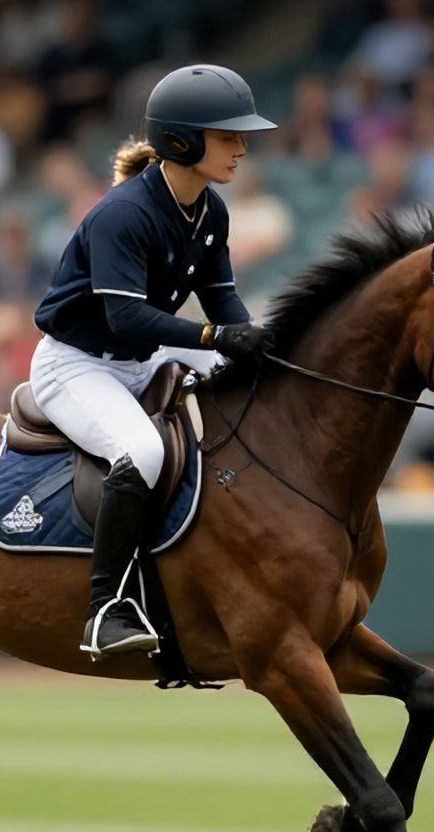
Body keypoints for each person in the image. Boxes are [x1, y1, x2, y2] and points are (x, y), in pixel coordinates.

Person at [30, 64, 276, 659]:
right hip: (78, 363)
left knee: (253, 399)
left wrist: (257, 341)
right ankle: (105, 608)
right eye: (227, 137)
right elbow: (127, 320)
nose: (242, 148)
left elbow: (221, 298)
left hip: (143, 357)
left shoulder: (210, 211)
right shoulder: (125, 213)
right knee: (142, 452)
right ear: (182, 141)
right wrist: (219, 337)